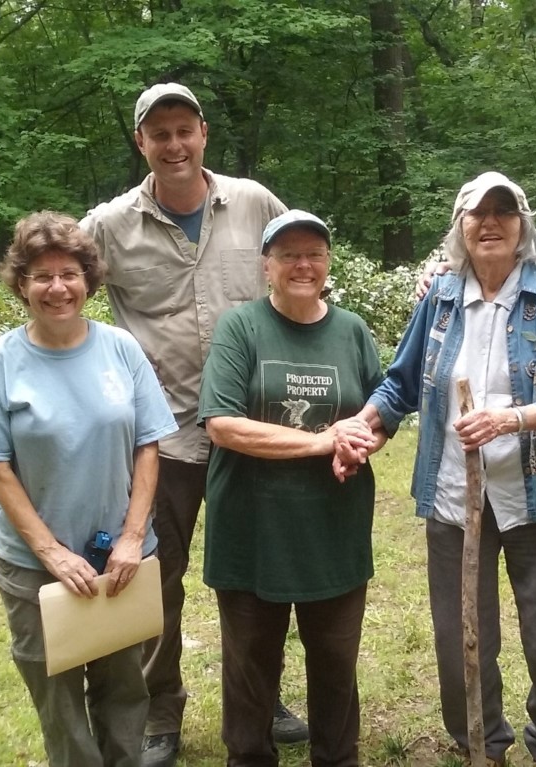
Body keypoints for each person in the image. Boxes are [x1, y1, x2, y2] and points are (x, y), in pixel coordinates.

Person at [79, 82, 305, 767]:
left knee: (258, 574)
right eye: (159, 133)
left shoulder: (256, 203)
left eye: (185, 129)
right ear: (140, 143)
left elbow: (300, 275)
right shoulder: (109, 226)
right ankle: (159, 710)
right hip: (161, 436)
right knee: (157, 576)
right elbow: (59, 292)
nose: (174, 144)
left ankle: (262, 697)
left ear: (203, 132)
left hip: (248, 429)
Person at [349, 172, 536, 767]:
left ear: (523, 224)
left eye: (504, 212)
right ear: (459, 228)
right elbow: (401, 381)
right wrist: (366, 423)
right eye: (477, 214)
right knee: (459, 634)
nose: (491, 223)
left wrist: (509, 420)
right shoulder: (440, 298)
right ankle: (480, 746)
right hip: (455, 498)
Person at [0, 211, 179, 767]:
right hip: (35, 569)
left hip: (120, 561)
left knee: (124, 689)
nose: (57, 287)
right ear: (21, 284)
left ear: (89, 279)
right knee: (58, 700)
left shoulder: (121, 349)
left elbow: (149, 444)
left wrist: (134, 537)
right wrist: (52, 552)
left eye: (69, 273)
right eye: (41, 276)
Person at [198, 210, 383, 767]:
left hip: (333, 526)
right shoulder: (241, 327)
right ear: (267, 267)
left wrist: (360, 440)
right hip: (252, 529)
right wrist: (324, 441)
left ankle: (336, 758)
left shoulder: (351, 330)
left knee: (334, 658)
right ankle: (250, 758)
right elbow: (223, 425)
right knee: (251, 662)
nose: (303, 265)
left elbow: (380, 409)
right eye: (288, 255)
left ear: (328, 263)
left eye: (315, 254)